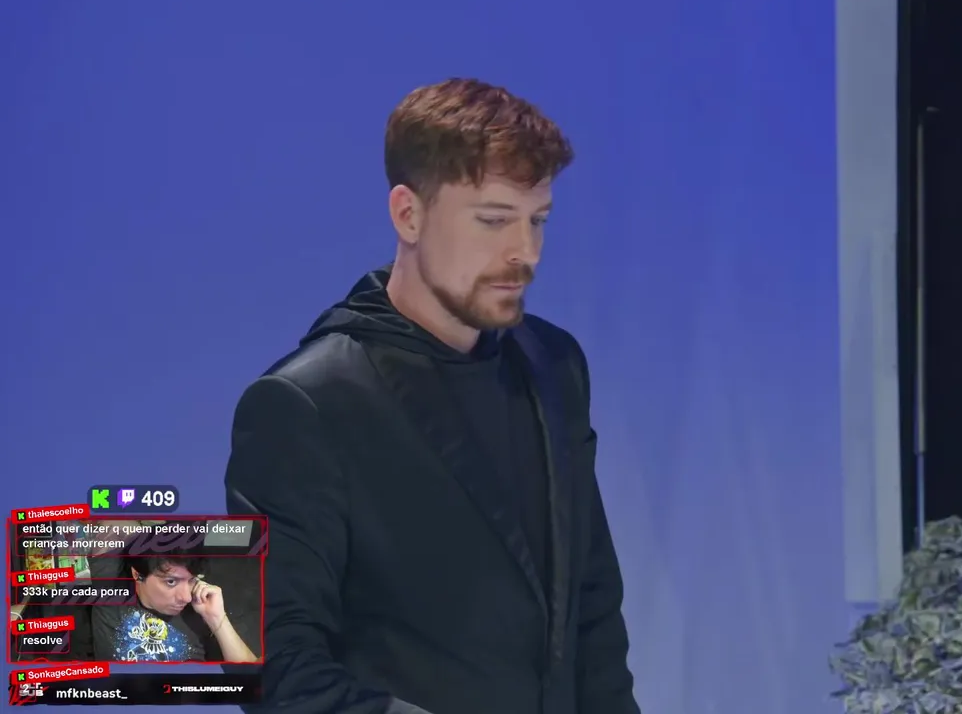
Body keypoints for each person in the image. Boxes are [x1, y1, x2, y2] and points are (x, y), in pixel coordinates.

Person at [224, 78, 640, 714]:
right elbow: (273, 668)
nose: (524, 252)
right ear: (408, 214)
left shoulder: (555, 365)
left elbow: (593, 613)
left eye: (537, 221)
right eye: (493, 220)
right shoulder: (305, 404)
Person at [91, 553, 258, 663]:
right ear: (137, 575)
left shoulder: (202, 609)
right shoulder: (110, 597)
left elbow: (251, 679)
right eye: (171, 582)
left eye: (192, 580)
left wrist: (217, 618)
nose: (186, 597)